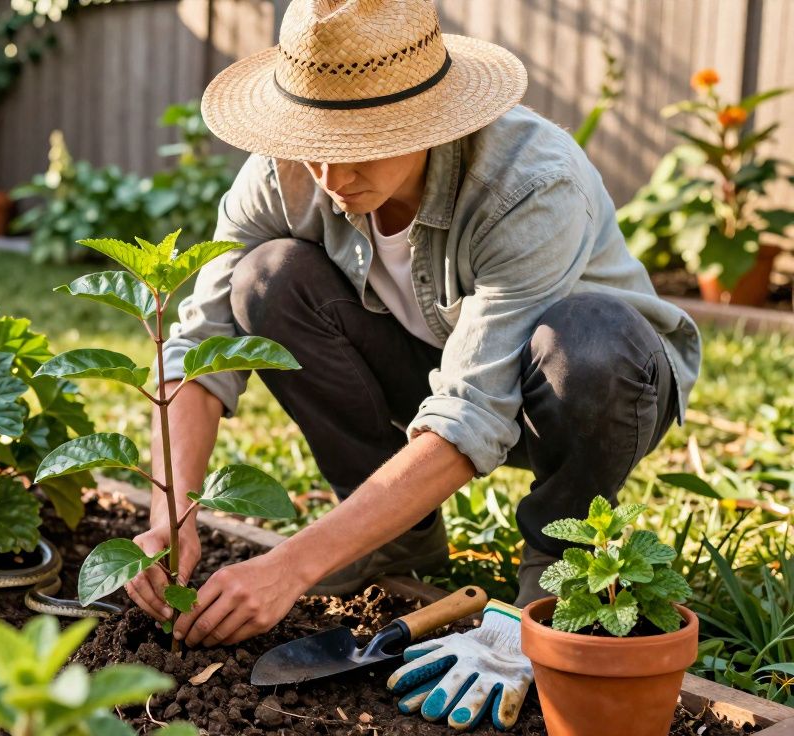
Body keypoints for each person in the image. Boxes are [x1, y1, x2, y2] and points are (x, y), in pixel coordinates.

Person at [121, 0, 701, 730]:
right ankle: (395, 540)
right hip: (433, 371)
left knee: (590, 340)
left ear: (430, 120)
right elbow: (198, 344)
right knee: (264, 278)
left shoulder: (529, 181)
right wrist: (170, 515)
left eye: (361, 146)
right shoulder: (284, 172)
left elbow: (471, 412)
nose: (332, 174)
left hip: (582, 387)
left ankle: (552, 582)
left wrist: (291, 565)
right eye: (314, 144)